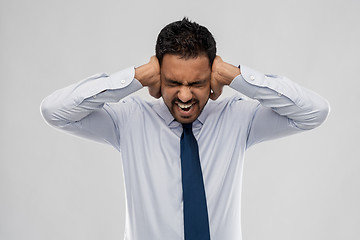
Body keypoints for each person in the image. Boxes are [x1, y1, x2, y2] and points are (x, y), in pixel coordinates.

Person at [40, 17, 330, 240]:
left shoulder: (238, 118)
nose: (185, 96)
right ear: (159, 80)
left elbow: (313, 112)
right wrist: (136, 77)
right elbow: (56, 112)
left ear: (212, 79)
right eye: (173, 82)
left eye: (196, 83)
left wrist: (237, 76)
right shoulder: (129, 121)